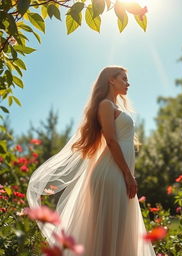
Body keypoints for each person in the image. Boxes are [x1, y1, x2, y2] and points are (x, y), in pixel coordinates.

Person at [26, 66, 156, 256]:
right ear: (111, 80)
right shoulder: (105, 105)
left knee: (119, 232)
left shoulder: (116, 107)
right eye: (124, 79)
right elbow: (110, 141)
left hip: (120, 174)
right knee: (108, 233)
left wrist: (128, 175)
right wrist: (129, 175)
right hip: (111, 174)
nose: (128, 83)